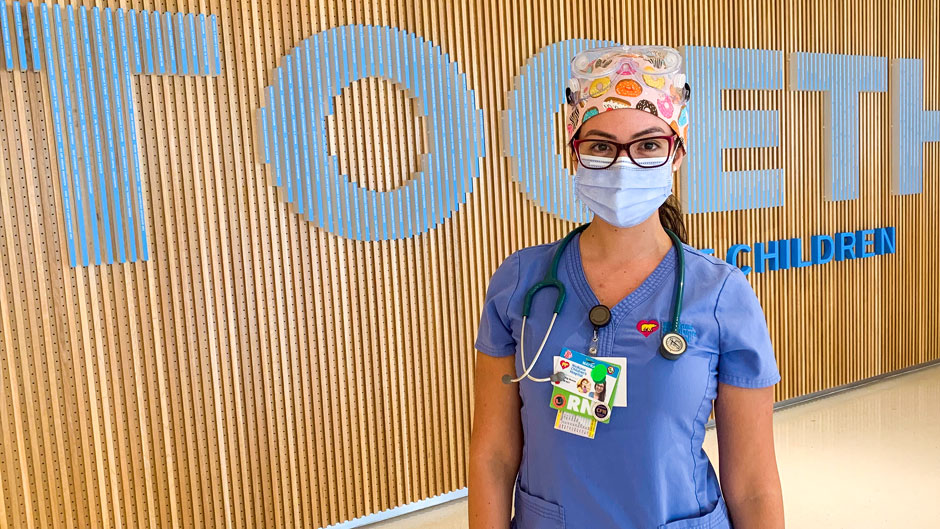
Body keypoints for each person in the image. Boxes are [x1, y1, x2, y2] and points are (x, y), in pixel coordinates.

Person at [468, 46, 784, 528]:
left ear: (677, 153)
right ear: (574, 153)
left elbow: (754, 485)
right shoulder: (521, 284)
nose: (623, 165)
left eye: (647, 145)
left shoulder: (720, 294)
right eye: (601, 146)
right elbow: (493, 456)